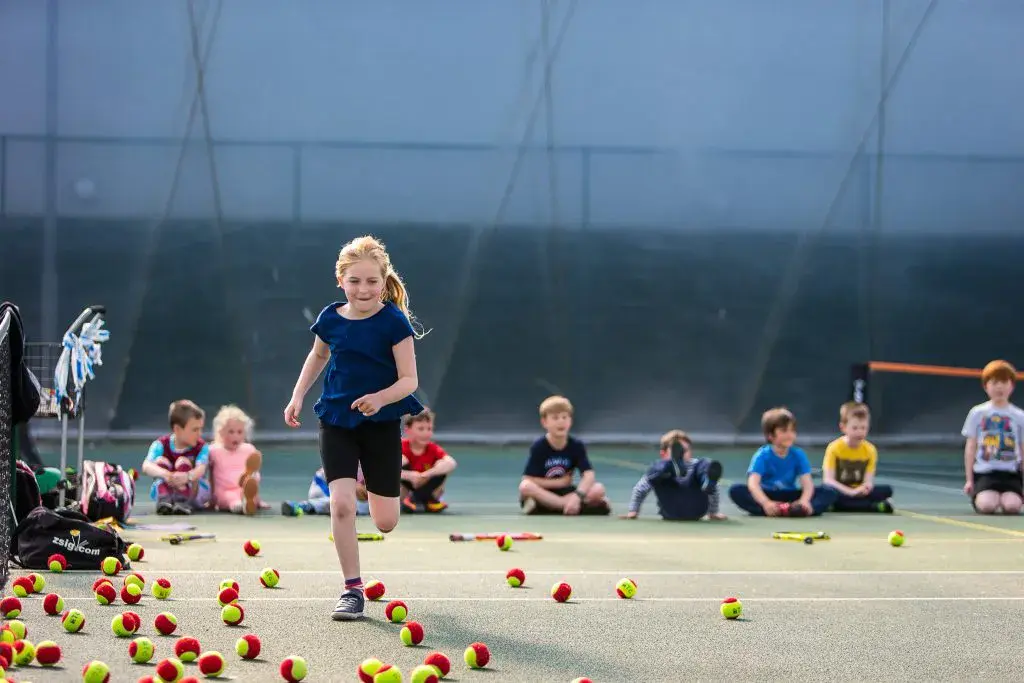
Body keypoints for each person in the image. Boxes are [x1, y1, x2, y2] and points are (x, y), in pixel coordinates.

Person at [283, 234, 425, 621]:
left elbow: (409, 380)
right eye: (355, 281)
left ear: (384, 281)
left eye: (372, 281)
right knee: (342, 504)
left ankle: (369, 477)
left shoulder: (393, 321)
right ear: (340, 281)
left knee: (385, 521)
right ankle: (352, 589)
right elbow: (317, 356)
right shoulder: (330, 318)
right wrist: (297, 396)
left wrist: (380, 398)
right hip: (336, 421)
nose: (364, 289)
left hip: (380, 425)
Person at [728, 407, 836, 517]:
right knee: (736, 490)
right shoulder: (762, 455)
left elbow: (807, 483)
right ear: (770, 435)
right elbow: (753, 484)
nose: (790, 435)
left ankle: (801, 509)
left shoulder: (798, 454)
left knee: (828, 491)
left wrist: (804, 501)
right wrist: (766, 502)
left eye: (792, 430)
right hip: (767, 494)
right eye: (784, 431)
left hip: (790, 495)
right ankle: (771, 509)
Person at [518, 395, 611, 515]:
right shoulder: (539, 446)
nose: (561, 421)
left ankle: (560, 506)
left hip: (567, 492)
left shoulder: (576, 445)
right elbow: (528, 479)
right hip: (545, 492)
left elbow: (588, 475)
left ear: (570, 421)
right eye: (555, 418)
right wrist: (559, 483)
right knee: (525, 487)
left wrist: (577, 497)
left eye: (564, 417)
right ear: (544, 422)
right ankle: (566, 505)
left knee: (598, 489)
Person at [962, 359, 1024, 515]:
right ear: (986, 386)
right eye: (995, 382)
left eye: (1004, 382)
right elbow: (971, 446)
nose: (999, 387)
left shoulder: (1019, 415)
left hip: (1010, 474)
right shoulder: (977, 413)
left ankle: (1008, 496)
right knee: (988, 506)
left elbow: (1022, 448)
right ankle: (981, 495)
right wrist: (969, 479)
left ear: (1012, 386)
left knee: (1012, 507)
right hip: (986, 473)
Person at [623, 429, 726, 521]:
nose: (684, 454)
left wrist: (713, 512)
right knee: (658, 468)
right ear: (663, 453)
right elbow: (641, 488)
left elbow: (713, 487)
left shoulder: (698, 466)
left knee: (705, 464)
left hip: (694, 502)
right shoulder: (660, 468)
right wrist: (633, 511)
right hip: (672, 505)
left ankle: (705, 480)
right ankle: (674, 466)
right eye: (678, 451)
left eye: (685, 451)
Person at [140, 400, 211, 515]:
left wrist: (186, 476)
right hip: (168, 487)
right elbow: (146, 466)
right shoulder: (161, 444)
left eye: (200, 429)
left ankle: (183, 501)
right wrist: (167, 475)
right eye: (195, 429)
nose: (199, 434)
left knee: (183, 463)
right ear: (177, 429)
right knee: (160, 462)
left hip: (192, 491)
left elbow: (201, 469)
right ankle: (165, 500)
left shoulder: (202, 447)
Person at [821, 401, 894, 513]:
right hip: (840, 490)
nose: (860, 432)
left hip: (858, 490)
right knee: (826, 492)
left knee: (887, 490)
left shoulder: (870, 450)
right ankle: (872, 507)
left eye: (863, 428)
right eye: (855, 428)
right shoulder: (834, 448)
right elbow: (828, 480)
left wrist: (865, 487)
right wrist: (850, 492)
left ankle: (840, 506)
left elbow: (868, 481)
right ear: (843, 427)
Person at [208, 405, 269, 515]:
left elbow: (254, 471)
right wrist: (211, 499)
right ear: (220, 432)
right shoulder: (214, 450)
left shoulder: (248, 449)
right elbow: (210, 474)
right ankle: (238, 506)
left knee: (249, 488)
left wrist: (258, 498)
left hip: (242, 488)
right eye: (231, 432)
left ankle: (250, 502)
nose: (235, 436)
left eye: (239, 432)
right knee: (229, 497)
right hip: (224, 491)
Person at [400, 409, 457, 513]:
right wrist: (409, 475)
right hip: (404, 491)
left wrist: (426, 475)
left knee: (442, 464)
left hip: (428, 488)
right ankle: (416, 500)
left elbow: (451, 463)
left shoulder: (433, 449)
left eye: (429, 429)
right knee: (399, 461)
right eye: (421, 429)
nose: (426, 433)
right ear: (408, 430)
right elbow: (383, 468)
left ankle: (418, 500)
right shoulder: (400, 446)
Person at [282, 464, 370, 517]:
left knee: (363, 506)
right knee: (341, 501)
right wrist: (351, 486)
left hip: (350, 493)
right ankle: (302, 506)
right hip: (323, 485)